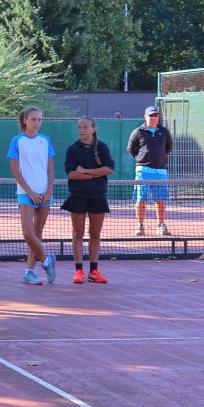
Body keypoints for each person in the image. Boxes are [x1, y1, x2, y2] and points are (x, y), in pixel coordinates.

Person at [62, 117, 115, 284]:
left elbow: (109, 169)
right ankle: (79, 271)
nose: (82, 130)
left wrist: (86, 172)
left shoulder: (102, 147)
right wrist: (94, 174)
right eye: (79, 127)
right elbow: (72, 174)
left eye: (85, 127)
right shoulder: (72, 149)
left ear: (93, 129)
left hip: (98, 195)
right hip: (78, 195)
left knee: (95, 234)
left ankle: (93, 271)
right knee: (78, 233)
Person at [7, 106, 55, 285]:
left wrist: (49, 191)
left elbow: (50, 168)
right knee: (28, 233)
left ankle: (29, 271)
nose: (37, 123)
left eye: (39, 119)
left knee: (37, 233)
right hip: (26, 193)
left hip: (44, 193)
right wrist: (30, 192)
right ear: (25, 120)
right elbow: (15, 170)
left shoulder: (45, 140)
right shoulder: (17, 141)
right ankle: (47, 261)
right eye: (33, 119)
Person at [128, 106, 173, 236]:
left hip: (160, 171)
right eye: (151, 115)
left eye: (156, 115)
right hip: (143, 171)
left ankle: (161, 225)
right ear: (145, 117)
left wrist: (160, 158)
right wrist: (141, 159)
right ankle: (140, 225)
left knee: (160, 200)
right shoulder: (138, 131)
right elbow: (131, 148)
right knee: (141, 199)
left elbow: (168, 147)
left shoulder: (164, 131)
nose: (154, 117)